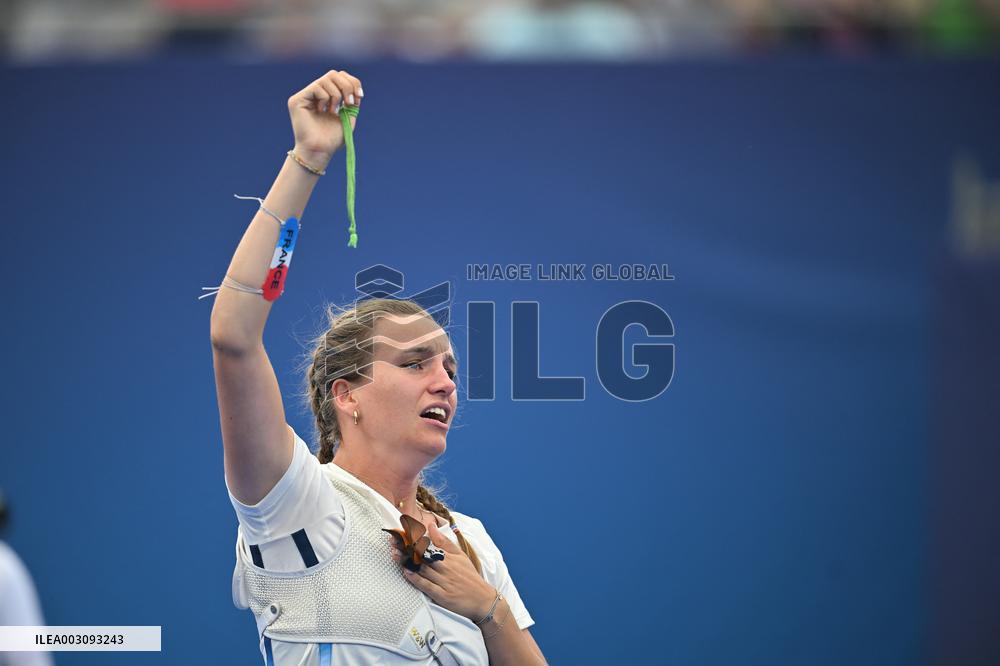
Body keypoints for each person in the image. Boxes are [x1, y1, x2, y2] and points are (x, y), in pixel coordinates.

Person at [210, 69, 547, 665]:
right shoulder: (299, 506)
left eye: (450, 367)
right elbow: (233, 336)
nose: (445, 380)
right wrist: (308, 159)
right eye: (415, 363)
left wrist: (489, 609)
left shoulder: (471, 542)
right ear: (347, 395)